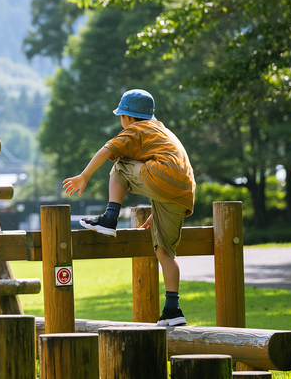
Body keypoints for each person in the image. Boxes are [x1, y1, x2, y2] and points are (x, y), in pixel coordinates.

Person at [62, 89, 195, 326]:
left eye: (121, 117)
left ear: (128, 118)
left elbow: (107, 150)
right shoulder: (162, 131)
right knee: (166, 252)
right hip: (183, 190)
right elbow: (172, 174)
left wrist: (84, 176)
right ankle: (173, 310)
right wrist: (158, 213)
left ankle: (109, 218)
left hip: (162, 178)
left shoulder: (134, 130)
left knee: (120, 163)